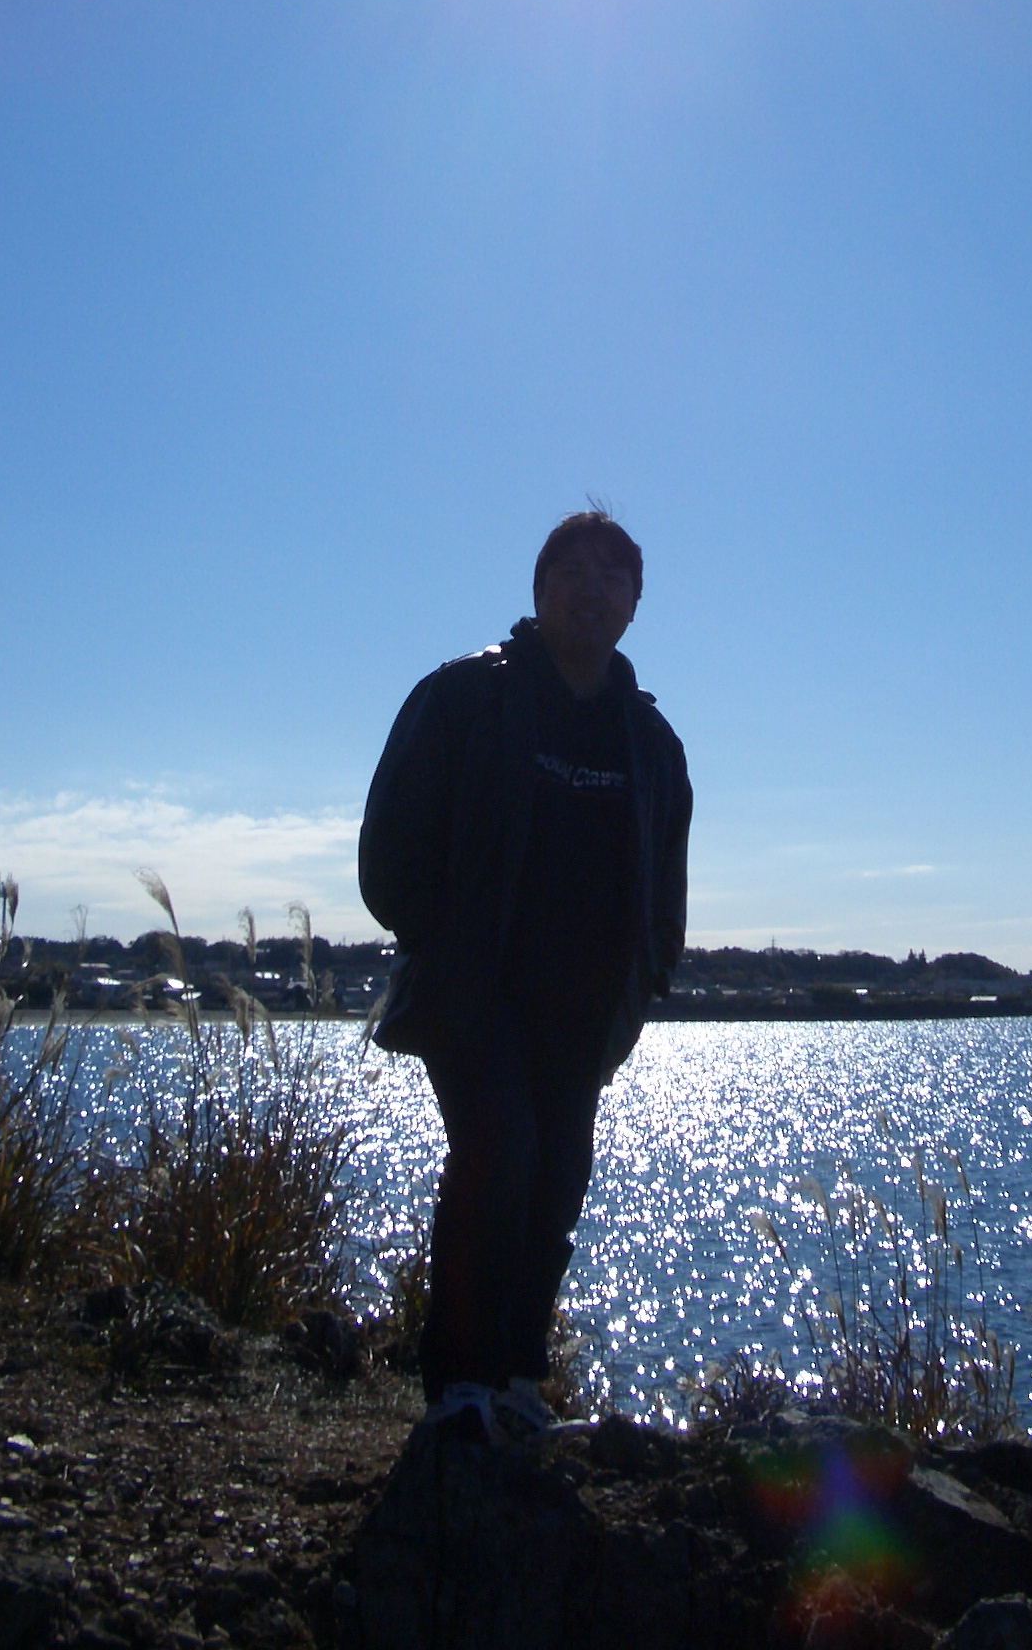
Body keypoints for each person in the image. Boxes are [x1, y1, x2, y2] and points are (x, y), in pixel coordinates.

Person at [358, 510, 691, 1438]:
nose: (592, 588)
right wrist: (443, 946)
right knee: (497, 1158)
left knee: (557, 1181)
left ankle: (515, 1380)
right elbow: (390, 846)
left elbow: (665, 889)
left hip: (584, 1011)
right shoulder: (466, 696)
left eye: (613, 575)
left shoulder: (651, 744)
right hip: (475, 996)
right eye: (571, 570)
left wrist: (643, 984)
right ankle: (459, 1385)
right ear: (538, 591)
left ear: (635, 604)